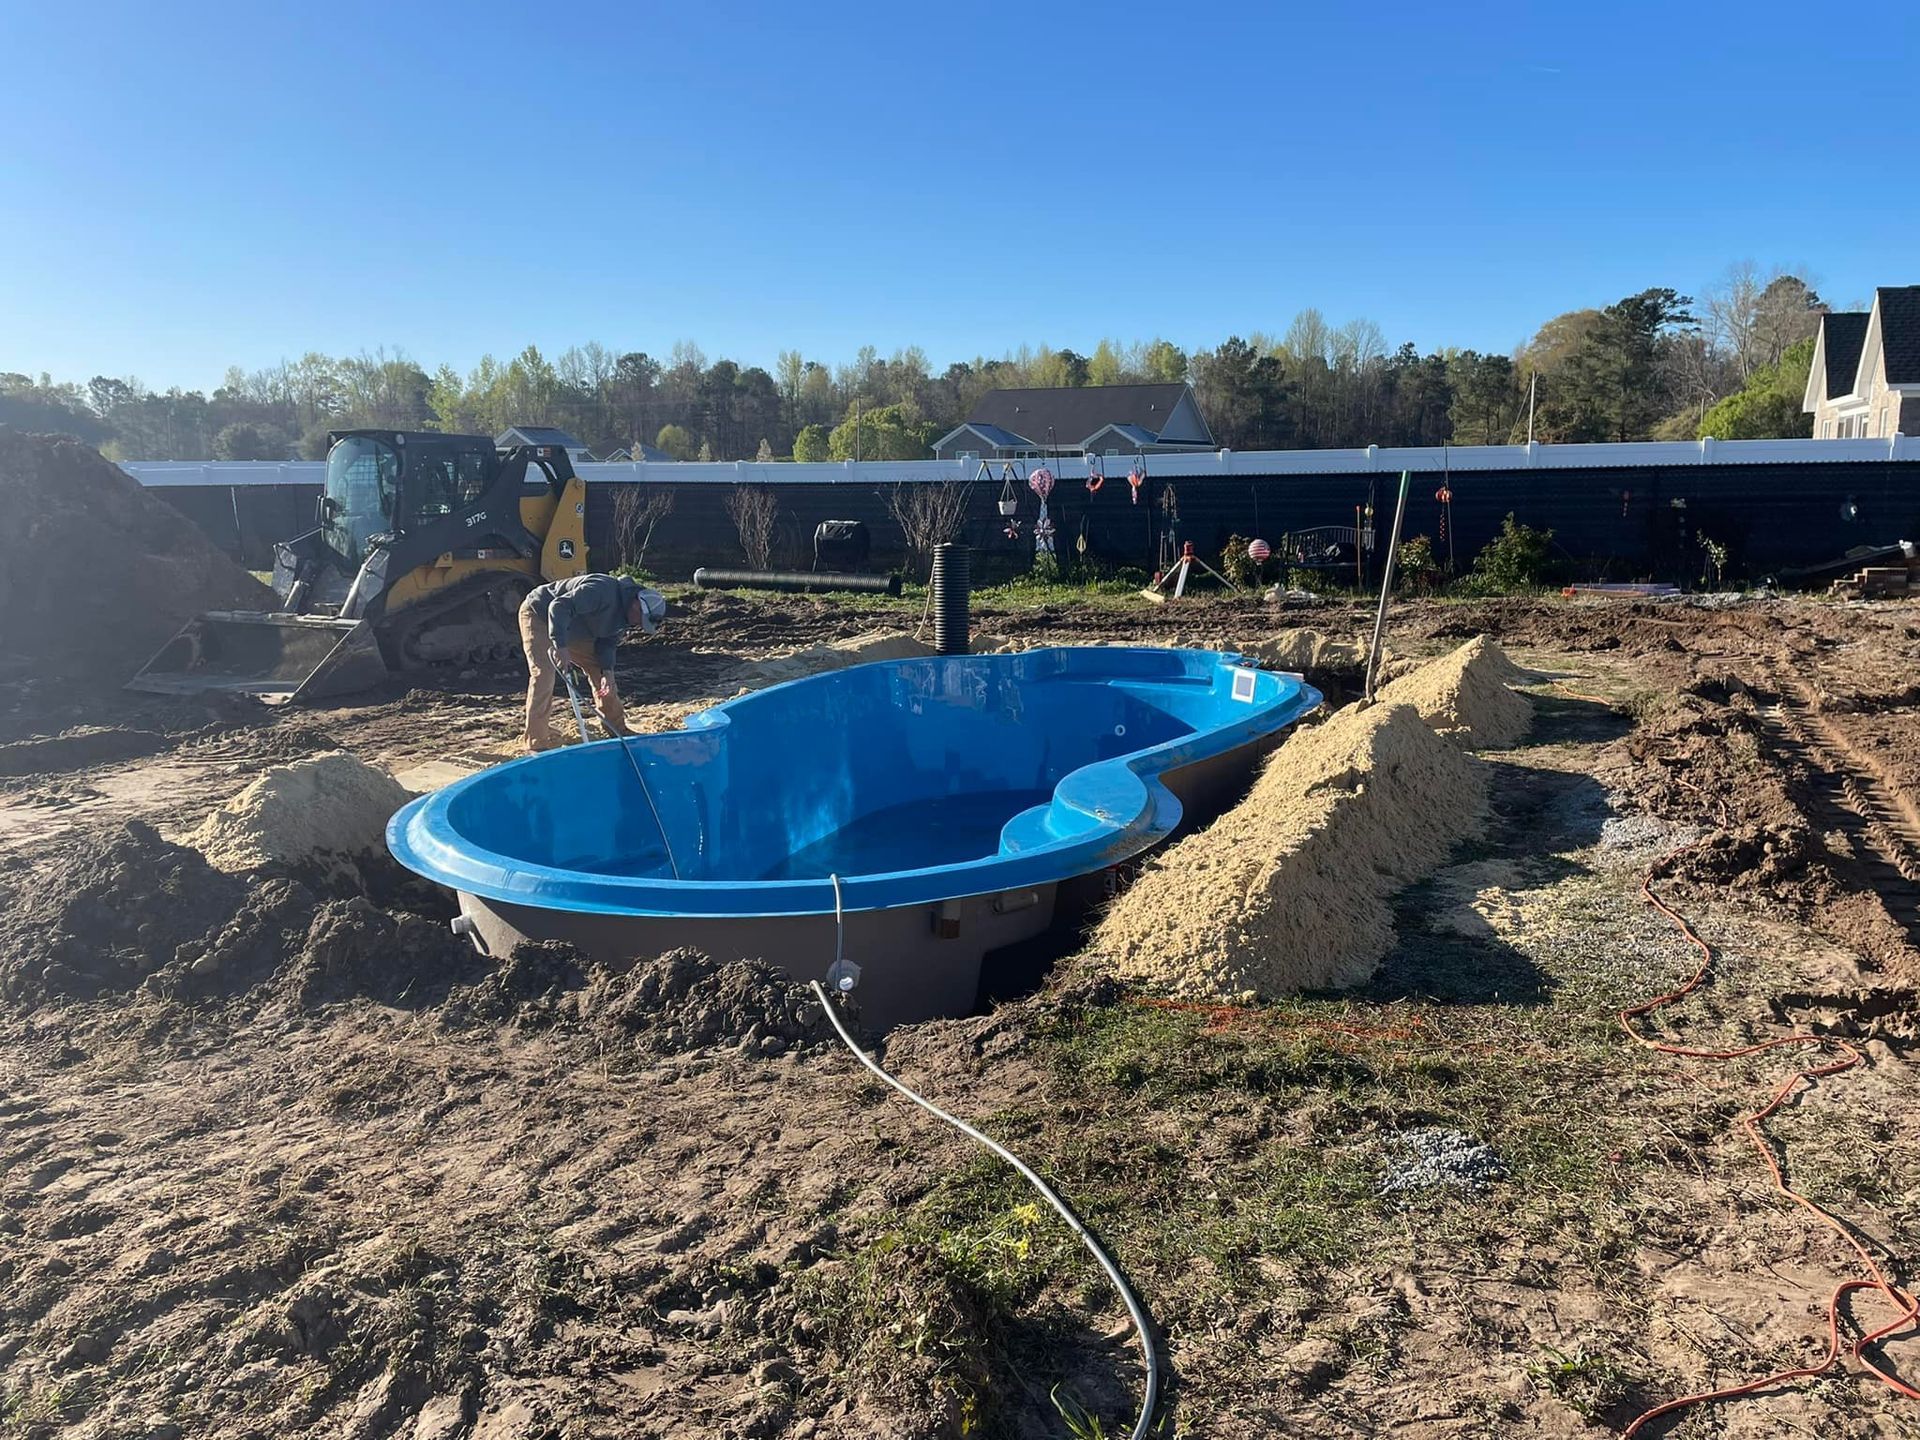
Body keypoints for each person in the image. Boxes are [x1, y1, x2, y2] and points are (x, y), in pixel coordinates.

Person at [519, 573, 666, 752]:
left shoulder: (627, 615)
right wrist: (561, 646)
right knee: (544, 674)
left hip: (575, 628)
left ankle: (617, 728)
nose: (638, 625)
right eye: (640, 620)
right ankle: (537, 741)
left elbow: (607, 642)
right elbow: (558, 606)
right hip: (540, 615)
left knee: (602, 676)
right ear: (637, 604)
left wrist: (607, 671)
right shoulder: (600, 590)